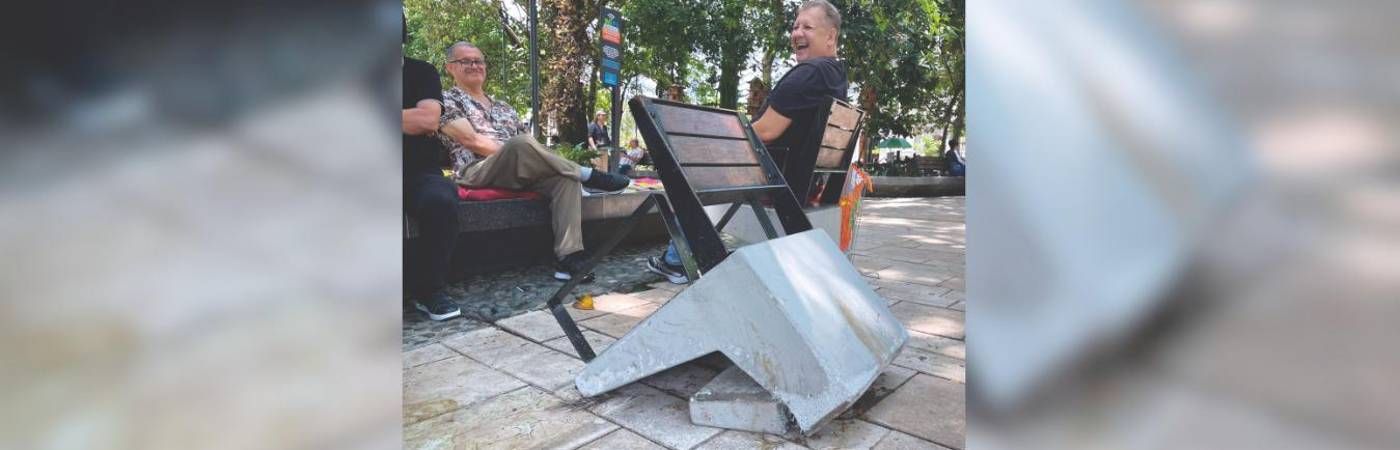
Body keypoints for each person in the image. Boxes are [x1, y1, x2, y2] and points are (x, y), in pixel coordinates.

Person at [646, 0, 849, 284]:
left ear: (830, 36)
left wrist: (713, 143)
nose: (797, 33)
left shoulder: (811, 73)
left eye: (807, 27)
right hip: (797, 178)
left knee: (692, 169)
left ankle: (677, 260)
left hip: (773, 180)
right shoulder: (837, 75)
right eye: (795, 26)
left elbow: (764, 132)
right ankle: (681, 256)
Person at [436, 41, 631, 282]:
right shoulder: (445, 100)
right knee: (521, 144)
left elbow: (531, 149)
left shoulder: (504, 107)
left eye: (479, 60)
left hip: (518, 170)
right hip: (475, 171)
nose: (474, 65)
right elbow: (471, 140)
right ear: (450, 68)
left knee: (564, 179)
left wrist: (524, 153)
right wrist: (518, 151)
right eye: (465, 61)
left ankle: (569, 257)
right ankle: (588, 175)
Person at [403, 21, 462, 321]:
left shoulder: (421, 72)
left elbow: (427, 120)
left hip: (416, 171)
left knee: (441, 199)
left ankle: (429, 290)